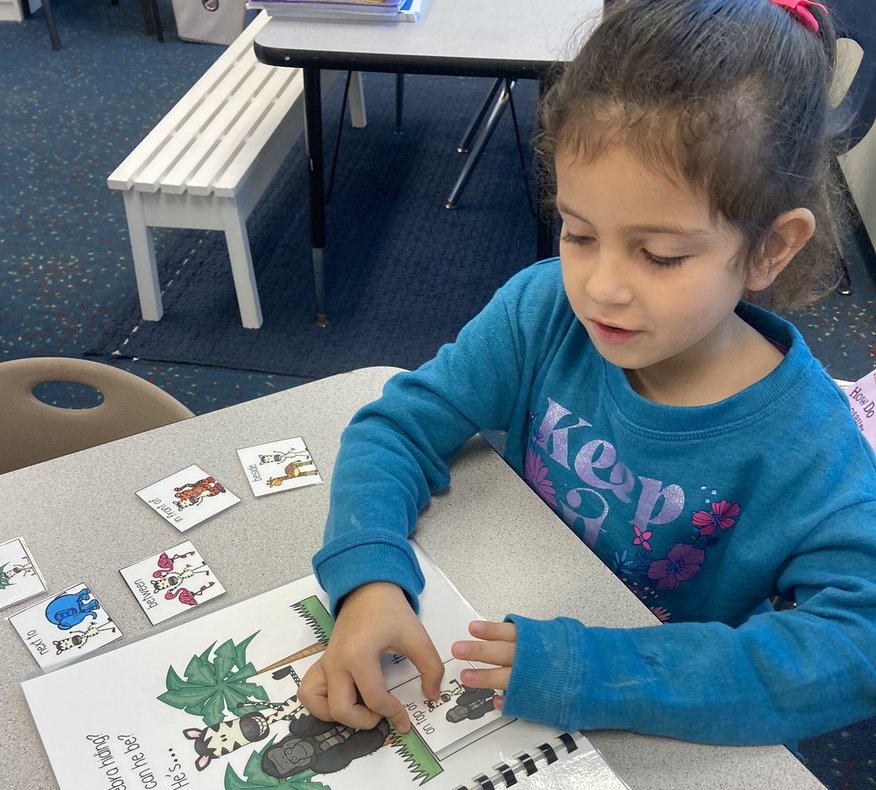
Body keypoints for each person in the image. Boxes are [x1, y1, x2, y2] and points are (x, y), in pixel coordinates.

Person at [299, 0, 876, 746]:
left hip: (642, 717)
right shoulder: (543, 310)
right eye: (577, 231)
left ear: (771, 248)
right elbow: (397, 426)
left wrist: (604, 671)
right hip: (501, 623)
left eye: (660, 255)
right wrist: (370, 579)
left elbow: (855, 648)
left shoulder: (807, 446)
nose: (601, 287)